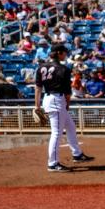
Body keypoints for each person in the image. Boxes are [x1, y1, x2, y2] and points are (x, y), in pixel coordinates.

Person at [34, 43, 94, 172]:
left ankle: (77, 154)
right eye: (64, 52)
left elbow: (38, 88)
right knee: (56, 133)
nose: (65, 54)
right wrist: (67, 105)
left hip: (47, 98)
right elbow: (68, 92)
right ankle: (53, 163)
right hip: (57, 100)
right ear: (59, 53)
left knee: (71, 126)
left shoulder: (41, 67)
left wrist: (37, 106)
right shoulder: (64, 69)